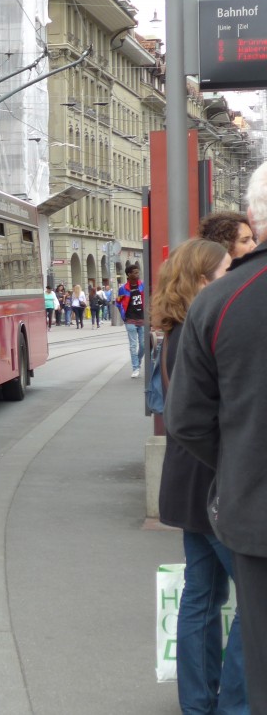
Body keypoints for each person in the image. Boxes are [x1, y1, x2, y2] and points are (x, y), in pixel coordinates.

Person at [168, 160, 267, 712]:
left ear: (256, 215)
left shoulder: (220, 303)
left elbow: (185, 419)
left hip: (250, 510)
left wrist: (238, 464)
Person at [153, 238, 245, 714]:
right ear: (203, 279)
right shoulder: (204, 327)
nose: (237, 273)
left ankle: (197, 704)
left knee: (202, 595)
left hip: (187, 482)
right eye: (230, 267)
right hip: (213, 484)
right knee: (251, 603)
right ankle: (232, 704)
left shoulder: (176, 328)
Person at [116, 263, 145, 377]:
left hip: (142, 319)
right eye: (135, 272)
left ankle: (137, 362)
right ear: (129, 274)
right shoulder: (123, 289)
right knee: (133, 346)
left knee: (143, 345)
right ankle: (135, 368)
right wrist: (124, 315)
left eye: (138, 272)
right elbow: (118, 302)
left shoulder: (142, 285)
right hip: (130, 320)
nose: (138, 274)